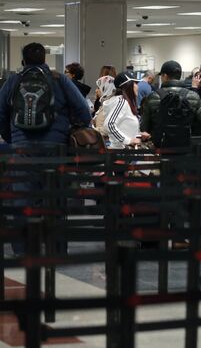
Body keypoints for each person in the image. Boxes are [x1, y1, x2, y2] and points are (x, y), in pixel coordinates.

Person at [0, 42, 91, 255]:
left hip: (21, 151)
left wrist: (12, 138)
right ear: (45, 60)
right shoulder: (60, 80)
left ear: (22, 61)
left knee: (22, 201)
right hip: (55, 150)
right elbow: (84, 112)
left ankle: (23, 250)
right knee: (56, 200)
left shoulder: (13, 81)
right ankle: (56, 248)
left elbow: (0, 114)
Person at [140, 60, 201, 148]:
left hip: (160, 148)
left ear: (165, 76)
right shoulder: (193, 96)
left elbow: (144, 127)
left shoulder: (153, 96)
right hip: (184, 146)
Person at [103, 71, 142, 149]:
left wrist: (138, 135)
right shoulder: (122, 102)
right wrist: (128, 141)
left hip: (123, 152)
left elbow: (123, 127)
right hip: (121, 152)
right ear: (128, 85)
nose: (137, 86)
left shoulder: (121, 101)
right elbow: (109, 124)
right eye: (135, 83)